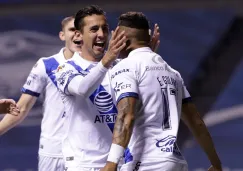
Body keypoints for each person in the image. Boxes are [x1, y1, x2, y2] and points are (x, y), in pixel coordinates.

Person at [101, 12, 222, 171]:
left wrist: (111, 163)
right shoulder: (172, 73)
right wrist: (216, 163)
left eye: (115, 36)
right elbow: (196, 122)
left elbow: (126, 115)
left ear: (123, 39)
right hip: (175, 162)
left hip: (146, 162)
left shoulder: (126, 68)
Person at [54, 5, 160, 171]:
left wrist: (145, 56)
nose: (101, 34)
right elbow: (82, 89)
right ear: (79, 35)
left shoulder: (120, 66)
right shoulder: (66, 68)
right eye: (94, 29)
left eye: (105, 28)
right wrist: (107, 60)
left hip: (118, 163)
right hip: (84, 164)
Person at [0, 16, 81, 171]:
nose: (76, 34)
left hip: (90, 151)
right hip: (53, 152)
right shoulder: (46, 65)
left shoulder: (102, 67)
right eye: (72, 30)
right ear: (62, 35)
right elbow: (21, 109)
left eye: (80, 30)